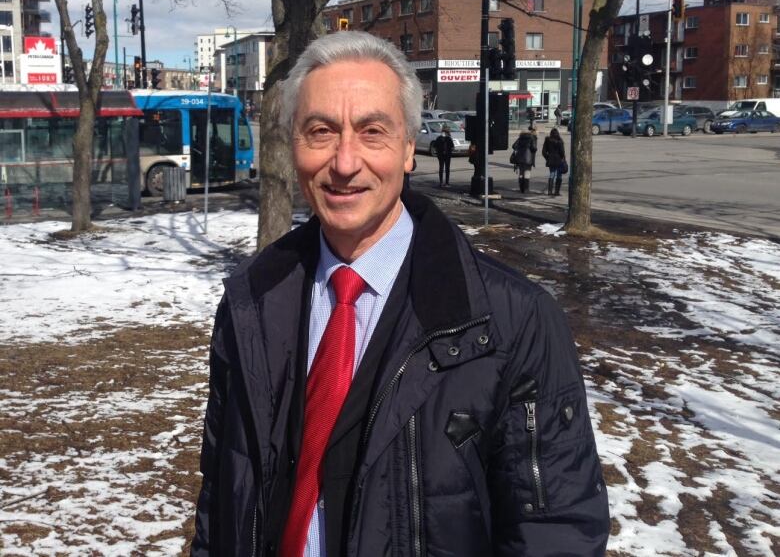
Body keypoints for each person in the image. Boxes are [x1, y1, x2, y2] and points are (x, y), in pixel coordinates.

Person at [191, 31, 610, 557]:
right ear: (293, 144)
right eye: (320, 131)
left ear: (410, 148)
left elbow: (556, 532)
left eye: (372, 132)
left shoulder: (512, 321)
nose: (344, 163)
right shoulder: (251, 301)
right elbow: (220, 501)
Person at [511, 126, 537, 194]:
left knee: (521, 173)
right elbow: (534, 148)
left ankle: (521, 188)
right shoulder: (531, 138)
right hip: (528, 158)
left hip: (519, 158)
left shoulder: (520, 138)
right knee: (527, 173)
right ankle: (526, 189)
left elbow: (513, 146)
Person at [542, 127, 567, 196]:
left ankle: (550, 191)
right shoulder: (560, 141)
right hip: (559, 160)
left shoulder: (547, 140)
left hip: (551, 160)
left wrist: (548, 157)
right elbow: (562, 152)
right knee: (559, 176)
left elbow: (543, 152)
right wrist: (562, 158)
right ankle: (557, 191)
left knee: (552, 175)